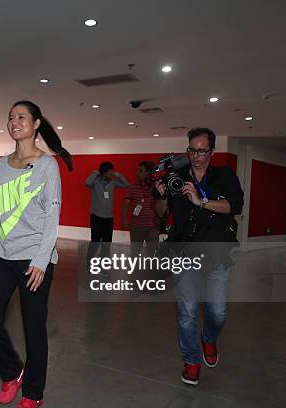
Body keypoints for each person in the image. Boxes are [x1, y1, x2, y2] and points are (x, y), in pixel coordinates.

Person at [0, 100, 73, 408]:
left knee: (34, 327)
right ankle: (12, 372)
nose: (14, 121)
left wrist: (41, 261)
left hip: (34, 258)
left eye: (21, 116)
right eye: (10, 117)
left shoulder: (47, 165)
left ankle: (33, 393)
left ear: (35, 124)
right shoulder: (2, 165)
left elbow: (52, 216)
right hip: (2, 257)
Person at [155, 127, 243, 386]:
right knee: (187, 311)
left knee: (217, 312)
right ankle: (191, 361)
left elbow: (235, 205)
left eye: (202, 150)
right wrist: (160, 195)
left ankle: (209, 339)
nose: (196, 155)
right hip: (183, 251)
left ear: (212, 151)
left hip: (216, 251)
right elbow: (162, 212)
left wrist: (201, 201)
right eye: (192, 150)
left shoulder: (224, 175)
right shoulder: (177, 177)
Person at [85, 161, 129, 261]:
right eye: (110, 171)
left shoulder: (113, 182)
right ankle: (90, 262)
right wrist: (95, 173)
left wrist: (118, 175)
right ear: (104, 172)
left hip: (109, 218)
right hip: (96, 217)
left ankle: (103, 263)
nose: (112, 173)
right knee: (95, 242)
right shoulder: (95, 181)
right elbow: (87, 182)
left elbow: (126, 184)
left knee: (106, 243)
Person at [122, 161, 161, 258]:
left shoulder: (156, 186)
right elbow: (126, 202)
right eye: (137, 170)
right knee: (134, 253)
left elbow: (162, 204)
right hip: (136, 226)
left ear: (148, 173)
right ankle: (133, 271)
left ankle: (151, 272)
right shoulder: (133, 186)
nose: (137, 173)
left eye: (140, 170)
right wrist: (124, 219)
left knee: (153, 254)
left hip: (152, 227)